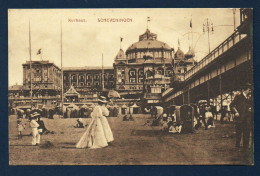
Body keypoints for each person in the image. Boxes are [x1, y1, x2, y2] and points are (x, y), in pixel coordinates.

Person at [230, 83, 253, 150]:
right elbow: (231, 105)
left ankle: (245, 146)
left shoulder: (250, 98)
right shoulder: (238, 97)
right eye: (249, 90)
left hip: (247, 118)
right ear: (244, 90)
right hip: (239, 118)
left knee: (247, 132)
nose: (250, 91)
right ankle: (237, 145)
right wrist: (236, 112)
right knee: (239, 132)